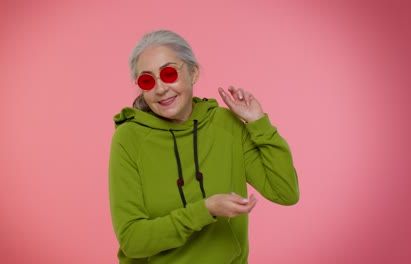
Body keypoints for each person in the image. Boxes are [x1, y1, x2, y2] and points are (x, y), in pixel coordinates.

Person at [108, 29, 299, 264]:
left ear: (193, 73)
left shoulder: (225, 124)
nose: (160, 88)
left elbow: (285, 192)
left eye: (169, 74)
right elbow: (132, 241)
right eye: (147, 80)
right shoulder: (129, 137)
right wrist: (205, 210)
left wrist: (258, 123)